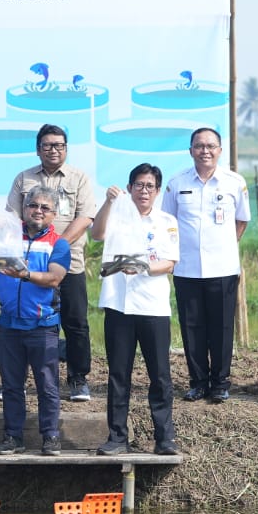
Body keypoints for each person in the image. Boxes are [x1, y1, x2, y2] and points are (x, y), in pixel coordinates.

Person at [90, 164, 181, 456]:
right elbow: (97, 234)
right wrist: (108, 202)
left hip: (152, 306)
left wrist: (141, 267)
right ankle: (117, 437)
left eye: (149, 186)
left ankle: (164, 438)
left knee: (160, 374)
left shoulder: (166, 221)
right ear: (129, 188)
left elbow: (169, 262)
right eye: (139, 185)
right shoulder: (117, 215)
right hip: (118, 304)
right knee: (118, 374)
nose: (144, 191)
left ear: (157, 191)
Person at [5, 124, 97, 402]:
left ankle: (78, 379)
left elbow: (85, 218)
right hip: (29, 264)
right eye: (47, 145)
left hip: (68, 262)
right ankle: (18, 380)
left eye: (59, 145)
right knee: (25, 321)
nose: (53, 150)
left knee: (75, 321)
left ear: (66, 149)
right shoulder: (24, 178)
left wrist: (56, 247)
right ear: (38, 149)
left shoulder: (79, 178)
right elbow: (12, 217)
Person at [161, 127, 250, 403]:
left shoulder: (234, 182)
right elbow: (167, 223)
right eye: (199, 146)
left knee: (222, 328)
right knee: (192, 327)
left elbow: (241, 221)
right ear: (190, 151)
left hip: (223, 268)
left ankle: (220, 383)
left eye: (211, 146)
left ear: (220, 150)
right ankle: (198, 382)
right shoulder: (177, 183)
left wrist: (223, 245)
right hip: (187, 269)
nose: (205, 151)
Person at [0, 185, 68, 457]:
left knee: (47, 385)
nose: (38, 211)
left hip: (42, 326)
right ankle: (13, 436)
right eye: (33, 205)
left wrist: (25, 274)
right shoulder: (8, 236)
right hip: (9, 324)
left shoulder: (59, 243)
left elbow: (55, 278)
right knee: (11, 385)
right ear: (24, 209)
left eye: (45, 207)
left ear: (54, 214)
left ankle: (51, 436)